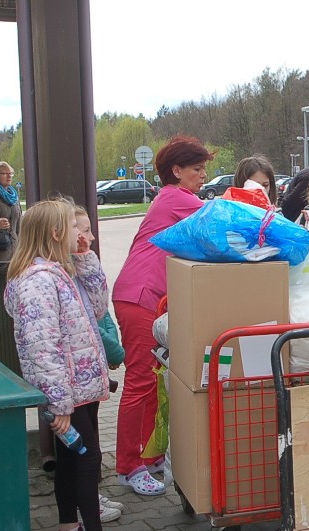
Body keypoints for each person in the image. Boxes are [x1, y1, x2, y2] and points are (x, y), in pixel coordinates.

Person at [4, 200, 127, 531]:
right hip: (68, 394)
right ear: (57, 233)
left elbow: (97, 305)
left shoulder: (61, 271)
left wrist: (87, 260)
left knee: (73, 460)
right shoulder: (38, 282)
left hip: (80, 389)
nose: (83, 234)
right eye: (77, 229)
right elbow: (42, 349)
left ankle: (69, 529)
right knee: (88, 458)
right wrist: (57, 404)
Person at [112, 135, 212, 496]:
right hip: (140, 297)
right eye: (197, 170)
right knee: (140, 381)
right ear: (177, 171)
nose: (203, 176)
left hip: (147, 297)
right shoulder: (176, 198)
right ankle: (127, 465)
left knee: (154, 379)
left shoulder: (173, 199)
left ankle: (148, 454)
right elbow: (222, 221)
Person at [74, 205, 126, 523]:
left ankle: (87, 502)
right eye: (82, 230)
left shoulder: (81, 267)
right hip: (75, 382)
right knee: (85, 452)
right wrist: (118, 353)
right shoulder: (60, 276)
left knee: (89, 446)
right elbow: (89, 322)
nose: (89, 238)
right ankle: (85, 515)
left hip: (91, 376)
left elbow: (100, 308)